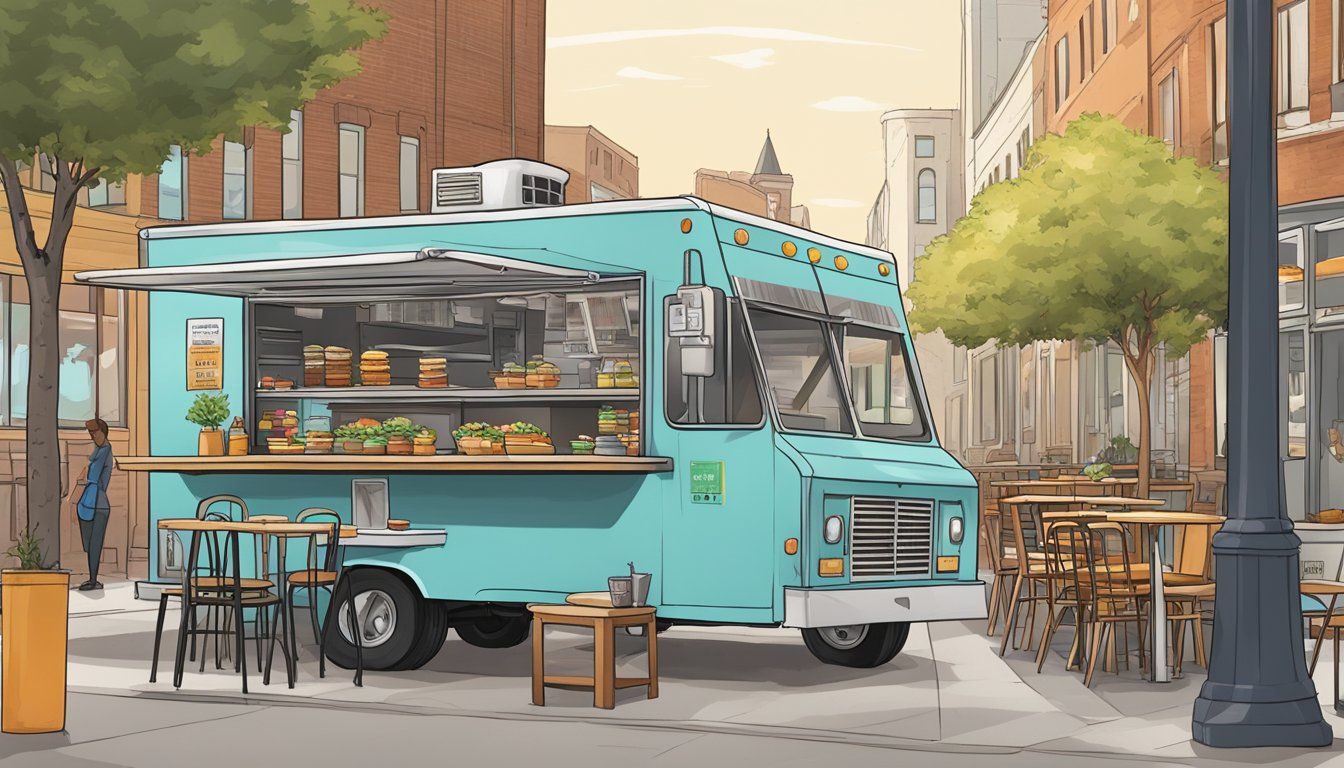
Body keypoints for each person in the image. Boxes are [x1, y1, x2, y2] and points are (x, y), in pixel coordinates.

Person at [67, 418, 112, 591]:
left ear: (102, 431)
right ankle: (93, 578)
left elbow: (95, 479)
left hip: (97, 504)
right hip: (89, 502)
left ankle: (93, 580)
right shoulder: (98, 451)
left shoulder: (105, 450)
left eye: (95, 432)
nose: (93, 436)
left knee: (94, 543)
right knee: (90, 543)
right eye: (91, 433)